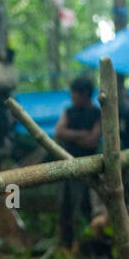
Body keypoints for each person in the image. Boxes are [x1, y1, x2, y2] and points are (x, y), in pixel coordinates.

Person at [54, 75, 101, 247]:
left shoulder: (97, 113)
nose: (72, 97)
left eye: (74, 93)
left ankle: (92, 244)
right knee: (65, 206)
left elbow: (92, 141)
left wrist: (71, 135)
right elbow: (59, 132)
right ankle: (66, 245)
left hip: (89, 167)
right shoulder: (69, 111)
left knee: (88, 206)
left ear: (84, 94)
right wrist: (81, 134)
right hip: (68, 166)